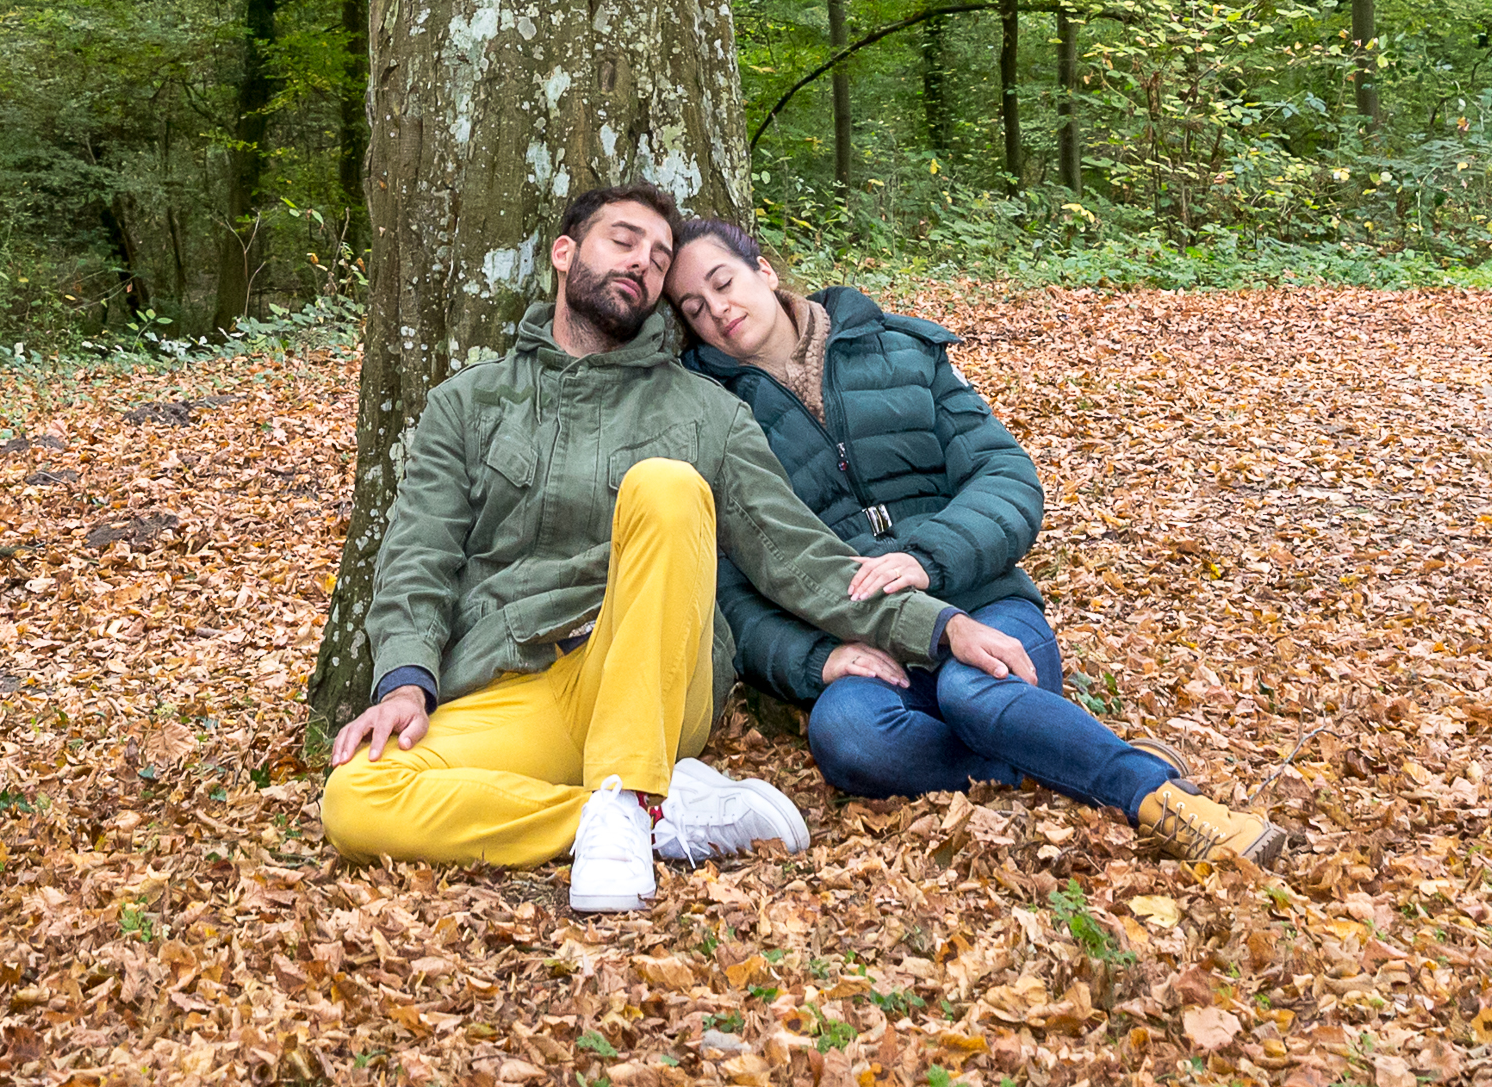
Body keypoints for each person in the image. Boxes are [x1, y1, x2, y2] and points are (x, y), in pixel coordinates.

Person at [323, 182, 1043, 912]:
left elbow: (798, 556)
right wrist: (405, 681)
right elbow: (418, 555)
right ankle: (638, 814)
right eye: (623, 239)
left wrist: (938, 623)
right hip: (520, 686)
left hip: (655, 680)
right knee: (356, 798)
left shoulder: (707, 413)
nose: (642, 261)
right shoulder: (467, 403)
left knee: (665, 486)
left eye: (658, 256)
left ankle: (631, 783)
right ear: (564, 251)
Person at [667, 217, 1290, 867]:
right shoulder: (711, 416)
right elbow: (732, 581)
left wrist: (928, 557)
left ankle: (1155, 795)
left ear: (763, 270)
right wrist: (812, 657)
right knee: (847, 735)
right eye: (694, 307)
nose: (718, 310)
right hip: (862, 635)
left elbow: (1006, 477)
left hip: (982, 598)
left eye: (723, 282)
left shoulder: (899, 349)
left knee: (973, 692)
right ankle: (1044, 750)